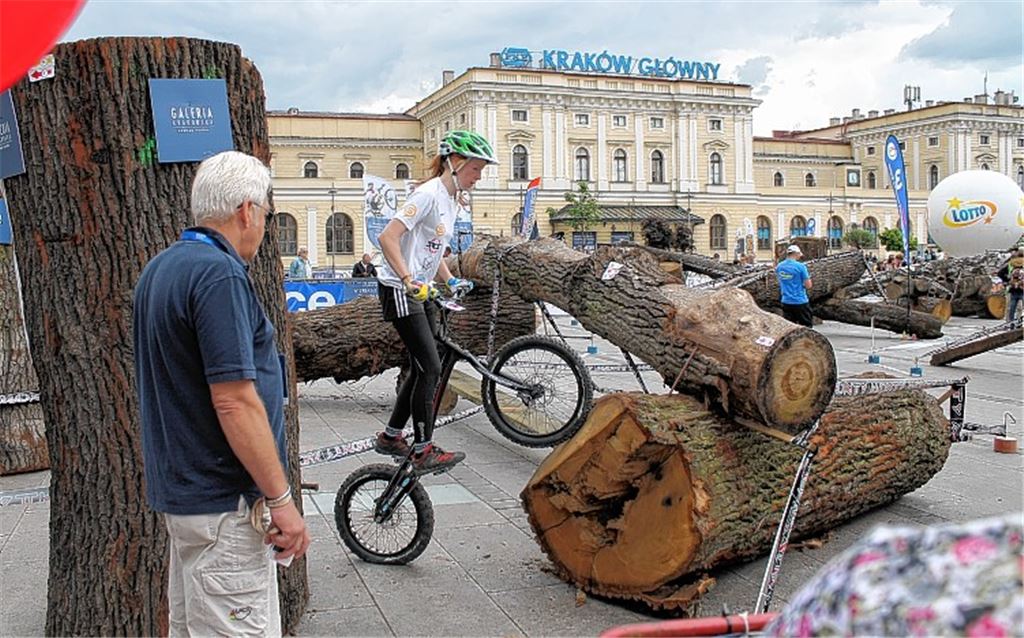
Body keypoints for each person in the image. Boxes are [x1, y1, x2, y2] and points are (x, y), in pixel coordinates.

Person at [133, 151, 310, 636]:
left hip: (188, 500)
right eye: (267, 216)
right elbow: (235, 400)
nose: (263, 228)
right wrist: (281, 499)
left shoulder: (161, 269)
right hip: (224, 507)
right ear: (246, 210)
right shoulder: (219, 273)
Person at [372, 130, 494, 473]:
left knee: (424, 363)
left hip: (422, 288)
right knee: (431, 366)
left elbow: (432, 248)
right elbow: (388, 237)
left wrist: (450, 279)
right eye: (475, 170)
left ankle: (391, 436)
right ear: (455, 163)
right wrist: (409, 280)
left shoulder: (451, 201)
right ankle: (422, 448)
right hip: (400, 288)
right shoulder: (426, 195)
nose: (478, 177)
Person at [776, 244, 814, 327]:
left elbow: (780, 281)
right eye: (799, 254)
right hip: (800, 301)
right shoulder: (801, 267)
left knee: (789, 328)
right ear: (796, 254)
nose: (800, 256)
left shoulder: (779, 266)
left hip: (786, 301)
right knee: (806, 327)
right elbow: (808, 285)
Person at [1005, 248, 1024, 322]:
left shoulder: (1012, 269)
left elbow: (1009, 278)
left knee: (1012, 306)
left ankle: (1010, 321)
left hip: (1013, 290)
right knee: (1019, 307)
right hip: (1021, 290)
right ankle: (1019, 321)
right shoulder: (1021, 271)